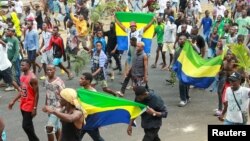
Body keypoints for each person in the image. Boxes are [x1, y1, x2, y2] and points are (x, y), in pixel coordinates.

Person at [8, 59, 39, 141]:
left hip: (30, 105)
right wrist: (13, 101)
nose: (21, 66)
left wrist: (35, 108)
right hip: (23, 105)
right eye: (20, 65)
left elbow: (37, 94)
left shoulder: (32, 78)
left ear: (28, 66)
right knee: (29, 126)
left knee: (25, 126)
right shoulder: (22, 76)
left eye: (23, 65)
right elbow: (22, 90)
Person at [79, 72, 105, 141]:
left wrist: (98, 122)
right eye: (80, 78)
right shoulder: (81, 90)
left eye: (82, 79)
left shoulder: (93, 93)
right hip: (82, 120)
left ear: (88, 81)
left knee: (97, 138)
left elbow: (97, 108)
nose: (80, 80)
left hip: (90, 121)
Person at [44, 65, 65, 141]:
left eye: (51, 70)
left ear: (54, 70)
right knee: (56, 128)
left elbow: (64, 95)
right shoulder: (46, 80)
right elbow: (47, 93)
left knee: (49, 128)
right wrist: (46, 105)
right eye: (47, 70)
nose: (49, 71)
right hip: (50, 107)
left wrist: (63, 108)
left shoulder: (59, 82)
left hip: (58, 108)